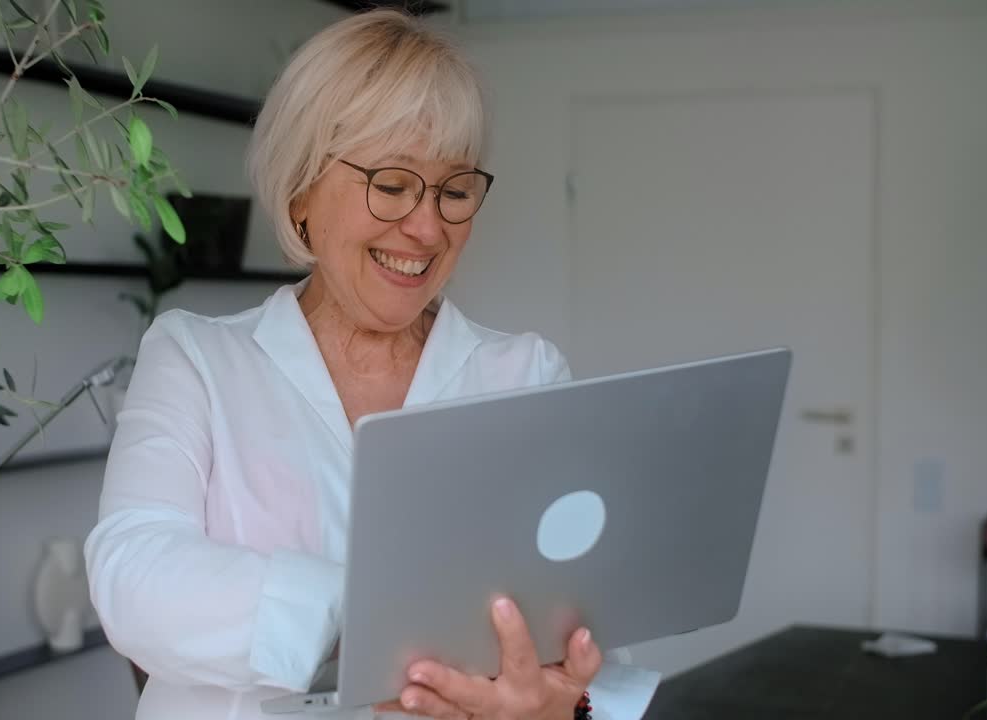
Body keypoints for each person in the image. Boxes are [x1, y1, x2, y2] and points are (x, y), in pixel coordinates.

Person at [84, 9, 660, 720]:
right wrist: (382, 623)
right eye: (392, 185)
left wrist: (556, 704)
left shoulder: (524, 375)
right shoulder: (198, 359)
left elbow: (584, 626)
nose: (427, 227)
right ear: (301, 191)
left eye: (454, 191)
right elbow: (133, 576)